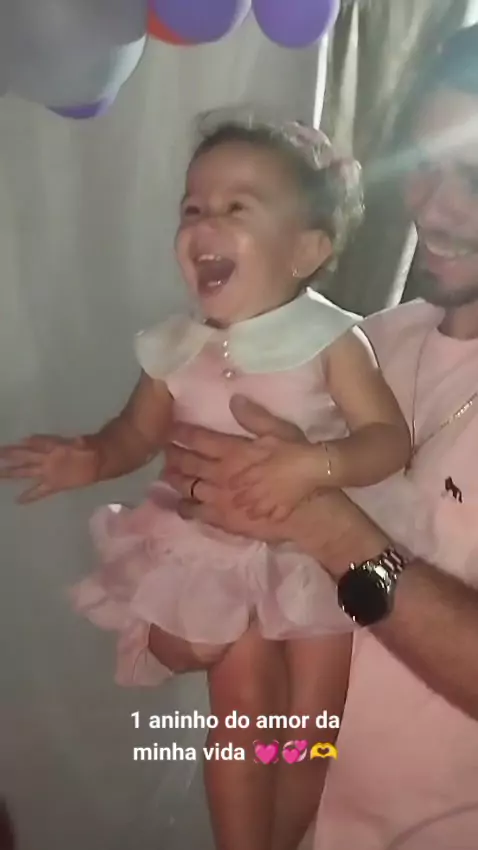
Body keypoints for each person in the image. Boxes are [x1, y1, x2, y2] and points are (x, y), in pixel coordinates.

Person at [0, 111, 412, 850]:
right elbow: (135, 434)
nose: (205, 223)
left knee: (312, 726)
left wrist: (315, 464)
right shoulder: (175, 347)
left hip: (314, 558)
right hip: (215, 556)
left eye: (236, 207)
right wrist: (90, 456)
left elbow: (387, 441)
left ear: (307, 249)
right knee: (243, 712)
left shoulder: (331, 339)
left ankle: (283, 837)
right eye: (193, 208)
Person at [159, 24, 478, 850]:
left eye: (472, 176)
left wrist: (328, 525)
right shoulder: (364, 343)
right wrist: (192, 582)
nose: (432, 206)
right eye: (425, 164)